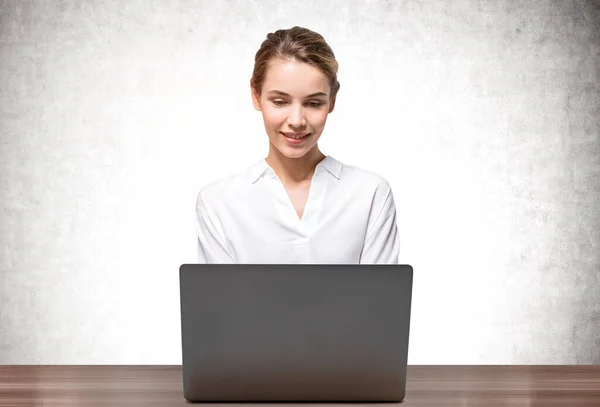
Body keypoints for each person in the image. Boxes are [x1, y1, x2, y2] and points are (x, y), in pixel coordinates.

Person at [195, 26, 400, 264]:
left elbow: (380, 299)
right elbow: (220, 300)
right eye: (280, 101)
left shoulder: (369, 194)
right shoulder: (219, 202)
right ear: (255, 94)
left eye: (313, 103)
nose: (296, 121)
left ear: (331, 101)